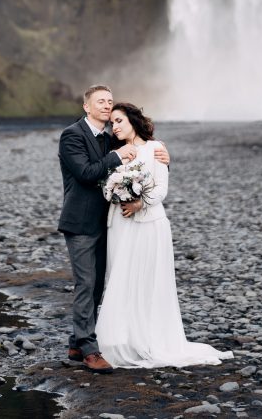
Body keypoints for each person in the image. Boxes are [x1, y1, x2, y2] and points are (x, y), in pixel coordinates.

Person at [95, 102, 232, 368]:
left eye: (120, 120)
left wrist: (138, 203)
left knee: (147, 280)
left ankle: (148, 338)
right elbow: (105, 186)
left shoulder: (155, 149)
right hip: (119, 224)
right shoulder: (114, 152)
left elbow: (161, 189)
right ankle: (121, 338)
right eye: (112, 123)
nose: (116, 126)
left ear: (133, 121)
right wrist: (114, 192)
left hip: (148, 223)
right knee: (120, 277)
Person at [57, 85, 170, 373]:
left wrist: (163, 155)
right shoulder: (72, 135)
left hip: (106, 223)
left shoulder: (109, 139)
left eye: (109, 101)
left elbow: (141, 164)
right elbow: (85, 173)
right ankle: (89, 350)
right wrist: (118, 157)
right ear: (86, 106)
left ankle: (75, 343)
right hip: (80, 222)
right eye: (101, 101)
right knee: (85, 284)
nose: (107, 106)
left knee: (96, 286)